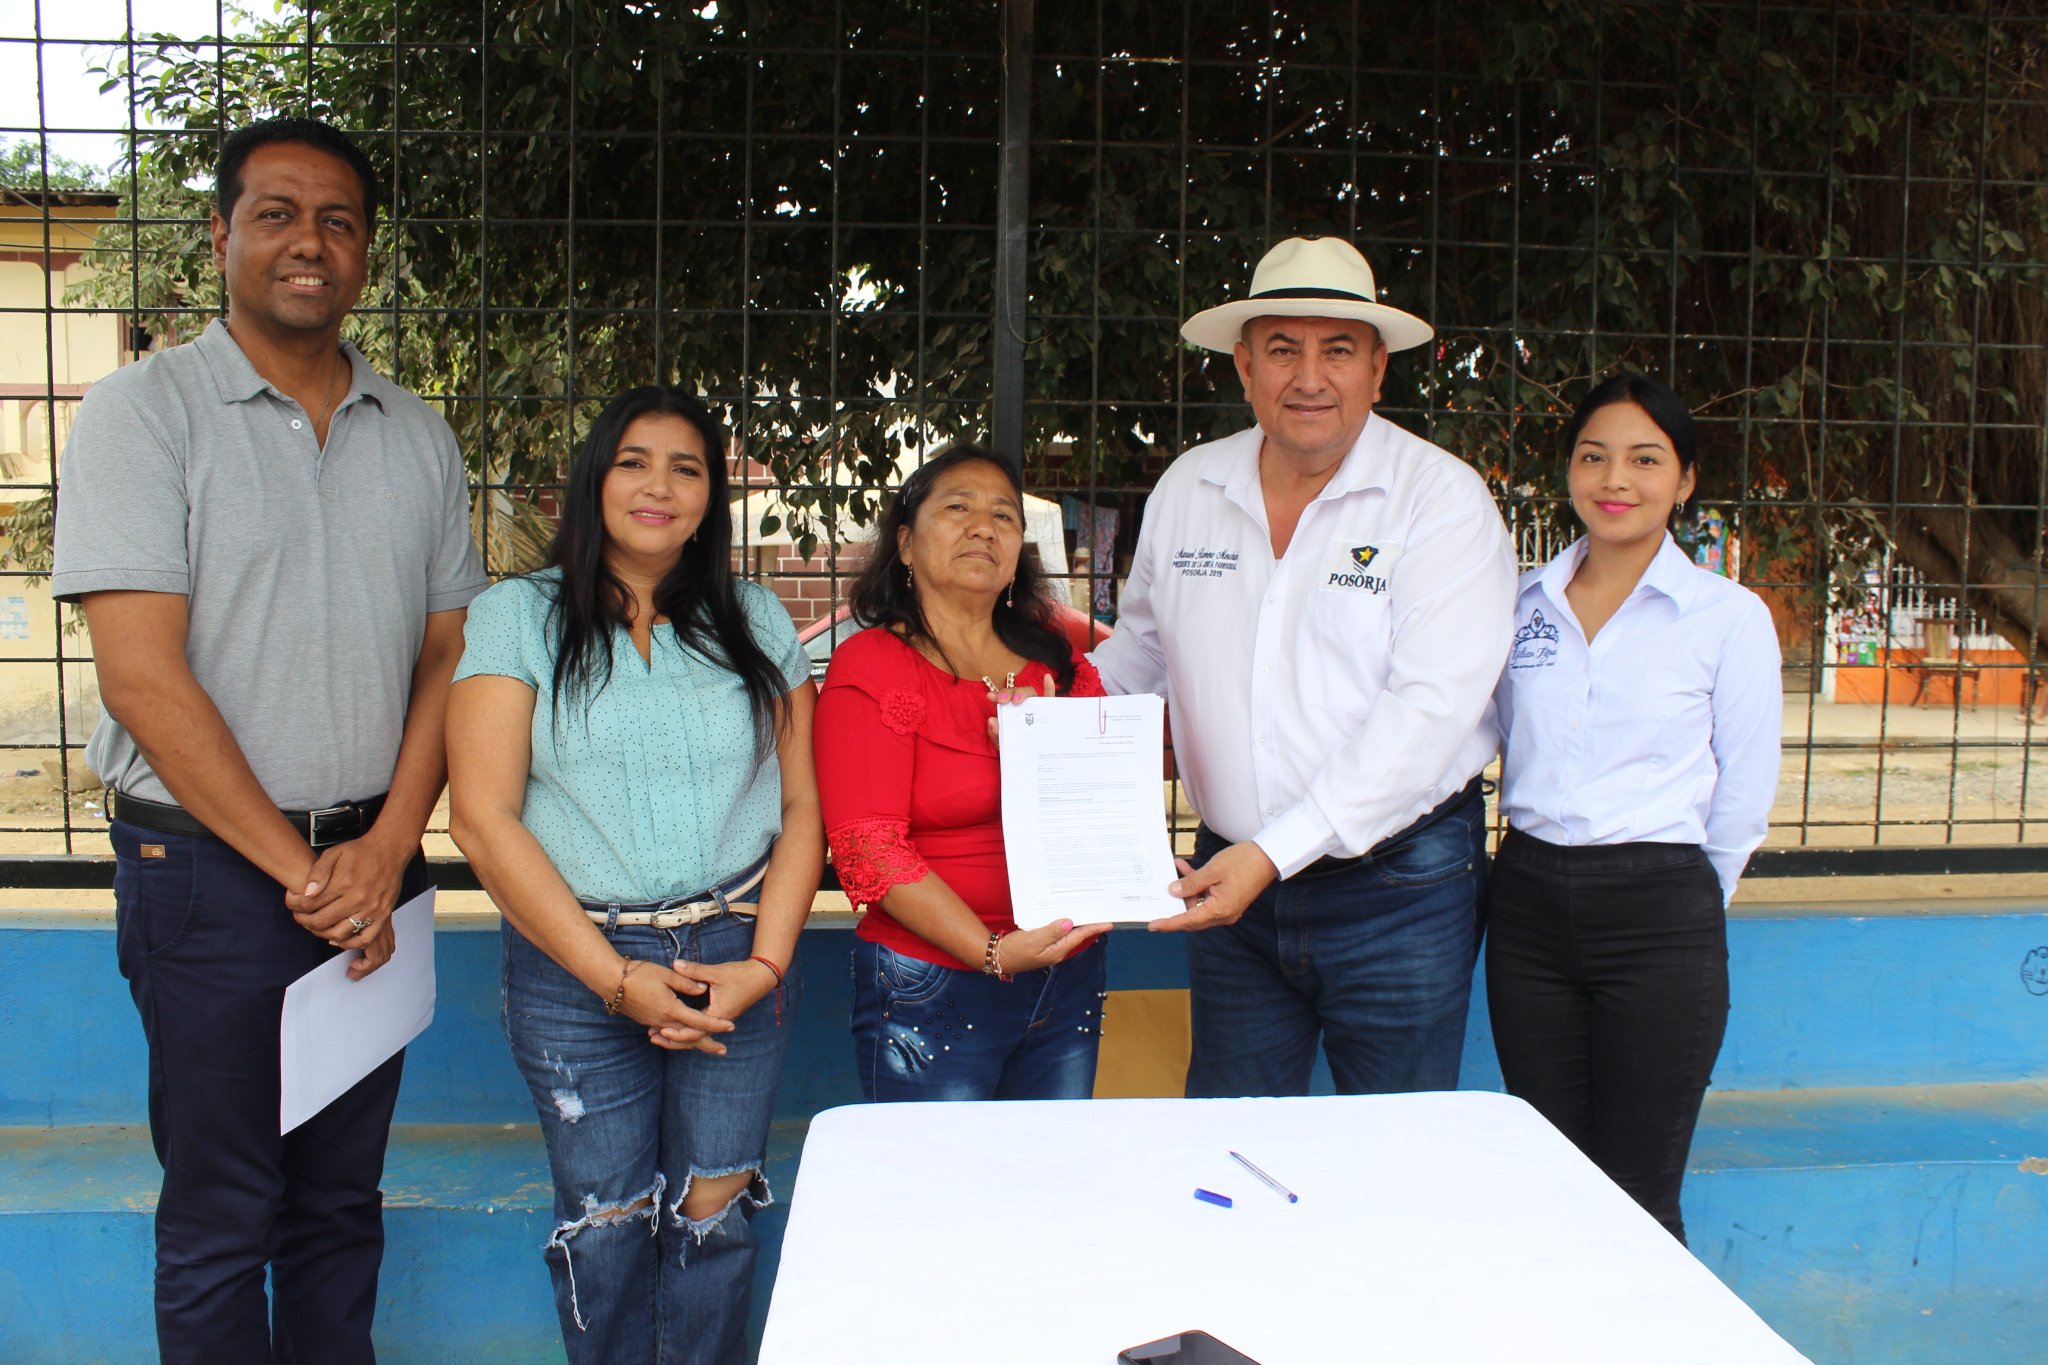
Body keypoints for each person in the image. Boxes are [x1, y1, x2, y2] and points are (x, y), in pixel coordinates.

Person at [50, 117, 486, 1362]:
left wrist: (385, 849)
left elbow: (448, 655)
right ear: (221, 235)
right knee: (222, 1213)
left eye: (338, 221)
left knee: (339, 1207)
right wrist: (305, 874)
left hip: (374, 873)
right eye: (278, 214)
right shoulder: (144, 413)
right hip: (210, 878)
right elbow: (142, 678)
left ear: (367, 253)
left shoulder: (417, 432)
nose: (309, 242)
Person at [1091, 235, 1517, 1098]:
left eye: (1339, 350)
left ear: (1378, 369)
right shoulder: (1189, 488)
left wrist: (1271, 854)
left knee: (1393, 1147)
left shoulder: (1441, 500)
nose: (1309, 377)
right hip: (1230, 887)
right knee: (1232, 1135)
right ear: (1245, 366)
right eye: (1283, 349)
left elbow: (1428, 712)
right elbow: (1137, 656)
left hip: (1398, 889)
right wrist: (1042, 725)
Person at [445, 386, 819, 1365]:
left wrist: (765, 967)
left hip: (734, 951)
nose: (660, 486)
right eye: (635, 462)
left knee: (714, 1215)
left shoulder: (754, 617)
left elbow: (801, 808)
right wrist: (614, 977)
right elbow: (482, 818)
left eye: (686, 469)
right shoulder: (516, 617)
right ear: (595, 480)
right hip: (575, 961)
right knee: (604, 1223)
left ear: (709, 499)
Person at [1486, 374, 1782, 1244]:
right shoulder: (1520, 605)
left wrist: (1684, 904)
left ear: (1685, 480)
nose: (1616, 479)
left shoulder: (1727, 618)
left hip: (1661, 913)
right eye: (1594, 456)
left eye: (1646, 460)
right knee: (1552, 1180)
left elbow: (1744, 792)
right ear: (1569, 472)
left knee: (1639, 1197)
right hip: (1529, 905)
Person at [814, 444, 1111, 1101]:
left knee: (1048, 1160)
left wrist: (1045, 757)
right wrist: (993, 951)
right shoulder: (872, 665)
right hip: (933, 982)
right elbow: (868, 848)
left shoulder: (1059, 666)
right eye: (958, 508)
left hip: (1067, 969)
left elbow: (1103, 809)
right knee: (937, 1168)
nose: (984, 527)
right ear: (906, 543)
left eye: (1004, 516)